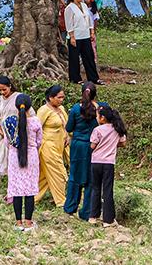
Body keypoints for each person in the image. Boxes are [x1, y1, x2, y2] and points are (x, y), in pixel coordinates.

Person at [4, 92, 43, 231]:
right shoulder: (36, 121)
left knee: (16, 190)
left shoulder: (10, 122)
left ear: (16, 106)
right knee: (30, 189)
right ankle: (29, 222)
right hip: (31, 157)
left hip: (14, 158)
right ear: (29, 106)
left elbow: (7, 143)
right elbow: (39, 142)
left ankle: (18, 222)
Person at [64, 82, 100, 219]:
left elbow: (69, 128)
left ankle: (70, 206)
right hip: (94, 146)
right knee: (91, 178)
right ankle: (87, 211)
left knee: (74, 174)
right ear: (95, 94)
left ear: (81, 93)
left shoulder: (75, 109)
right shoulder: (101, 108)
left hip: (78, 145)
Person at [89, 105, 126, 227]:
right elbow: (122, 143)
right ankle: (107, 220)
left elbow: (93, 146)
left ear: (103, 118)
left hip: (96, 162)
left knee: (96, 188)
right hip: (109, 163)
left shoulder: (98, 130)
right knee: (107, 190)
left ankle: (93, 216)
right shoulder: (117, 129)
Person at [35, 85, 69, 207]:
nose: (61, 100)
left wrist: (67, 136)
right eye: (58, 98)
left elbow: (65, 126)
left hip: (60, 147)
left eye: (62, 97)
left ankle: (31, 199)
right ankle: (62, 202)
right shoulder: (44, 110)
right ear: (50, 97)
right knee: (60, 173)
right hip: (48, 147)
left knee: (45, 176)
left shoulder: (62, 109)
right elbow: (35, 129)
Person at [65, 0, 100, 85]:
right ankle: (75, 78)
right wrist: (72, 36)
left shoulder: (84, 6)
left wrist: (91, 31)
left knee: (89, 57)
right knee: (74, 58)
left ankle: (93, 77)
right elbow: (69, 23)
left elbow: (89, 19)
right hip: (76, 36)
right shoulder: (70, 8)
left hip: (85, 35)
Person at [0, 76, 18, 189]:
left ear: (10, 86)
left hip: (16, 135)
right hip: (2, 134)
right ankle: (6, 186)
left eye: (4, 90)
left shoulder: (18, 98)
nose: (2, 92)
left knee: (15, 161)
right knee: (2, 158)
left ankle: (15, 186)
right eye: (0, 90)